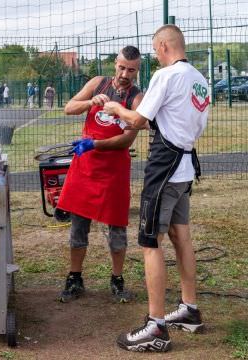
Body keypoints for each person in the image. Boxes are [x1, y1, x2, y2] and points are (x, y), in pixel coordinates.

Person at [104, 25, 208, 352]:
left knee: (150, 243)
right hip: (186, 166)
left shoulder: (166, 76)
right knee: (181, 236)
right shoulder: (199, 80)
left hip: (164, 169)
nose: (154, 56)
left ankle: (156, 326)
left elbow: (138, 120)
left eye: (154, 50)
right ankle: (189, 309)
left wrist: (115, 109)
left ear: (163, 45)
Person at [56, 46, 143, 304]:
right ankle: (75, 278)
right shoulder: (98, 84)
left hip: (114, 170)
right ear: (115, 64)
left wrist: (94, 144)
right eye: (122, 67)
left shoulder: (137, 99)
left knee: (117, 226)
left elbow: (127, 139)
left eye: (131, 70)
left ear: (137, 71)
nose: (125, 73)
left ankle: (117, 280)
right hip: (86, 169)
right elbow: (69, 107)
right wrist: (90, 102)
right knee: (78, 226)